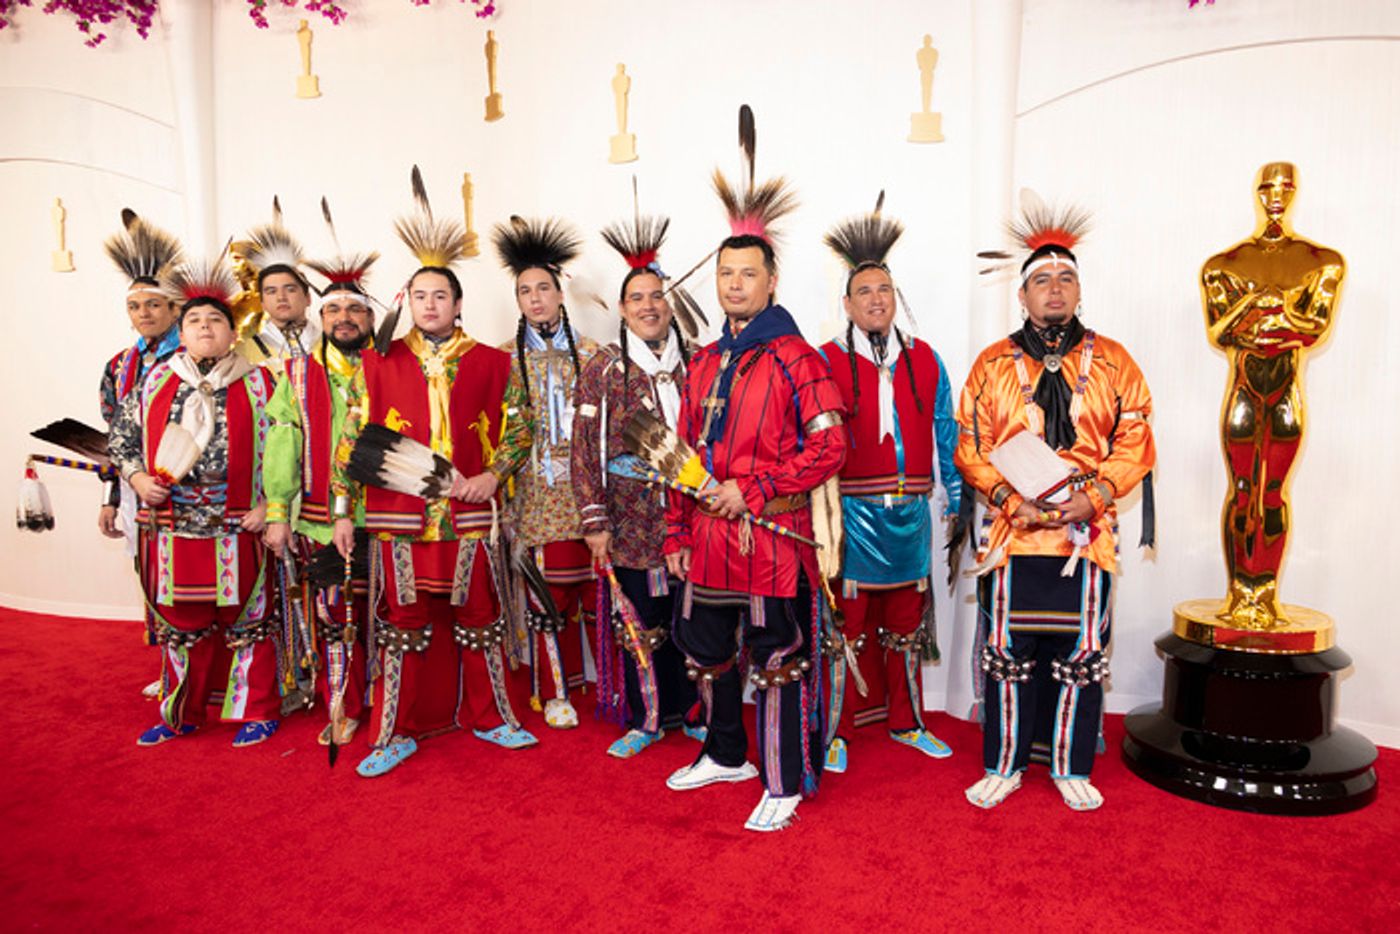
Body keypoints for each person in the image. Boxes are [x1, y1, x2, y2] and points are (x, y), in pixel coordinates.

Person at [663, 142, 847, 832]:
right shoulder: (704, 361)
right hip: (707, 537)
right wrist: (675, 532)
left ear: (772, 282)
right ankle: (725, 753)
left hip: (773, 537)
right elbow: (680, 455)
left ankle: (783, 779)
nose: (735, 284)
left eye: (748, 274)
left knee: (776, 660)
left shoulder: (799, 357)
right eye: (726, 273)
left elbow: (831, 446)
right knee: (705, 649)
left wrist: (758, 487)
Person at [331, 171, 536, 777]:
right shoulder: (377, 364)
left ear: (457, 303)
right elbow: (351, 442)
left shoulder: (494, 363)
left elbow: (521, 427)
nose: (429, 304)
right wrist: (342, 512)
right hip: (398, 518)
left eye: (440, 296)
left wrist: (494, 475)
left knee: (480, 619)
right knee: (402, 625)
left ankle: (492, 717)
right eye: (419, 295)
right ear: (407, 301)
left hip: (469, 515)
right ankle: (394, 732)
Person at [958, 204, 1155, 810]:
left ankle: (1071, 766)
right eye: (1042, 279)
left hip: (1085, 535)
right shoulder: (992, 364)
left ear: (1079, 291)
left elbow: (1136, 437)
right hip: (1014, 533)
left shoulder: (1114, 361)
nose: (1055, 288)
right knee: (1006, 654)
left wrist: (1093, 497)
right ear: (1022, 295)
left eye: (1066, 278)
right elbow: (970, 444)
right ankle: (1004, 764)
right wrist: (1006, 497)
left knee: (1081, 654)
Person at [109, 256, 281, 747]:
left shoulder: (263, 383)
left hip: (240, 525)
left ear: (233, 332)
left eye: (215, 320)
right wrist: (138, 478)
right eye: (195, 321)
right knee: (181, 625)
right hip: (173, 526)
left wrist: (270, 505)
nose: (205, 327)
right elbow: (120, 441)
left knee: (250, 622)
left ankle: (257, 711)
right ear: (181, 333)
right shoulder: (153, 384)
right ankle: (181, 713)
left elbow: (290, 451)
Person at [818, 202, 961, 774]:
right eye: (864, 291)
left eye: (884, 289)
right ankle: (837, 728)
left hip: (912, 515)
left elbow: (946, 430)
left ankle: (907, 721)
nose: (876, 299)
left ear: (895, 297)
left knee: (906, 624)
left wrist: (956, 494)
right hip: (852, 516)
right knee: (846, 628)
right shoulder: (826, 361)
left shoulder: (925, 359)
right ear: (847, 303)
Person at [571, 211, 701, 758]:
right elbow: (583, 450)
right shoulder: (603, 370)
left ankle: (695, 713)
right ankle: (646, 718)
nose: (648, 306)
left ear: (670, 304)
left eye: (657, 296)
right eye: (637, 298)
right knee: (640, 622)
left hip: (692, 513)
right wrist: (594, 520)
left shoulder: (699, 363)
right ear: (622, 309)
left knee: (693, 618)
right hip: (629, 520)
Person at [1201, 161, 1343, 629]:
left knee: (1274, 492)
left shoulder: (1320, 262)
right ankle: (1239, 595)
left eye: (1285, 188)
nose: (1276, 196)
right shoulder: (1224, 265)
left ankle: (1264, 594)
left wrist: (1273, 314)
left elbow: (1313, 330)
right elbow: (1221, 333)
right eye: (1268, 188)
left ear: (1295, 192)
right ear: (1257, 193)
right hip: (1243, 389)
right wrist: (1256, 305)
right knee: (1242, 489)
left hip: (1284, 391)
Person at [263, 242, 379, 748]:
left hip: (392, 517)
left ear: (370, 317)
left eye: (355, 308)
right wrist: (277, 512)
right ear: (320, 315)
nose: (344, 317)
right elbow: (282, 444)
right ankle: (342, 706)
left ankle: (392, 702)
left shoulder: (393, 367)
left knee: (394, 616)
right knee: (335, 615)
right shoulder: (297, 373)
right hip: (321, 520)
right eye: (334, 309)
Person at [491, 217, 601, 729]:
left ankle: (608, 686)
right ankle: (556, 690)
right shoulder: (503, 362)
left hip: (589, 495)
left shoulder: (595, 356)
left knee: (598, 596)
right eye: (524, 291)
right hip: (536, 497)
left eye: (542, 288)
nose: (535, 298)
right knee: (546, 597)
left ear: (560, 293)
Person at [99, 210, 183, 547]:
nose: (143, 313)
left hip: (188, 490)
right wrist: (110, 498)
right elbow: (114, 434)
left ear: (174, 309)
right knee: (146, 567)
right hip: (135, 486)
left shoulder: (191, 361)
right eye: (134, 307)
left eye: (153, 304)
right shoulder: (119, 367)